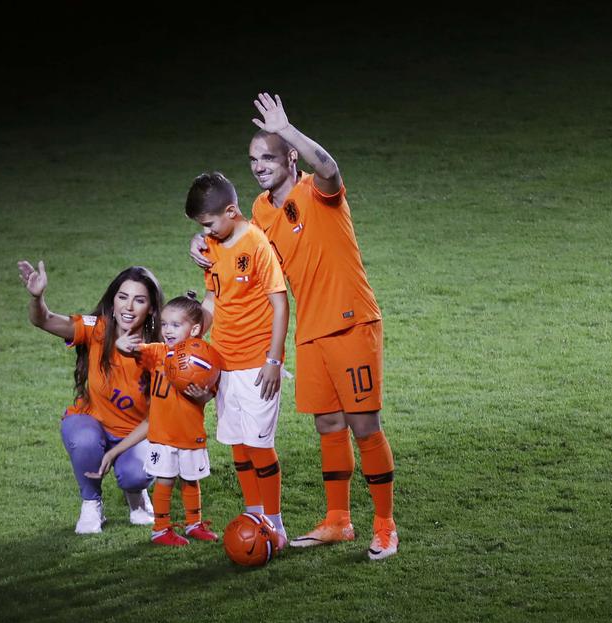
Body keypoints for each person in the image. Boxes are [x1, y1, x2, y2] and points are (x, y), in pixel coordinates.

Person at [190, 92, 399, 560]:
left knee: (364, 426)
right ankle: (337, 521)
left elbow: (328, 165)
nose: (259, 166)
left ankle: (385, 525)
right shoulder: (261, 212)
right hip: (310, 330)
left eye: (268, 157)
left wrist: (286, 129)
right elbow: (237, 236)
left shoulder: (317, 190)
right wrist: (203, 239)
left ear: (288, 156)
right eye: (252, 159)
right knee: (328, 424)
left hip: (352, 321)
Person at [184, 172, 291, 548]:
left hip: (257, 366)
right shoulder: (212, 247)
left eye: (209, 223)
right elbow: (215, 299)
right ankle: (254, 511)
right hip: (223, 365)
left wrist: (274, 361)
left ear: (231, 211)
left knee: (260, 447)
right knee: (239, 447)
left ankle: (275, 523)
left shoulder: (257, 245)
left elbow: (281, 304)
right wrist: (197, 332)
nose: (206, 231)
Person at [17, 259, 160, 534]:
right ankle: (91, 503)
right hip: (91, 421)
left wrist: (116, 451)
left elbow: (156, 420)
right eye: (122, 297)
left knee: (136, 474)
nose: (128, 307)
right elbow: (44, 320)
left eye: (139, 300)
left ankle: (138, 495)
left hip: (136, 434)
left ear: (151, 307)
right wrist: (38, 298)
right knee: (84, 440)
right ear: (113, 299)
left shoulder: (158, 350)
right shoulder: (98, 328)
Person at [115, 292, 219, 546]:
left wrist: (201, 395)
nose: (168, 330)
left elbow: (207, 397)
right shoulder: (159, 352)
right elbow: (134, 352)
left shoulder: (205, 356)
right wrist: (122, 346)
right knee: (165, 480)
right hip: (162, 434)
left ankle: (194, 523)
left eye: (175, 325)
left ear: (194, 329)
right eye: (164, 324)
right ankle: (161, 528)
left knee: (191, 479)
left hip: (190, 432)